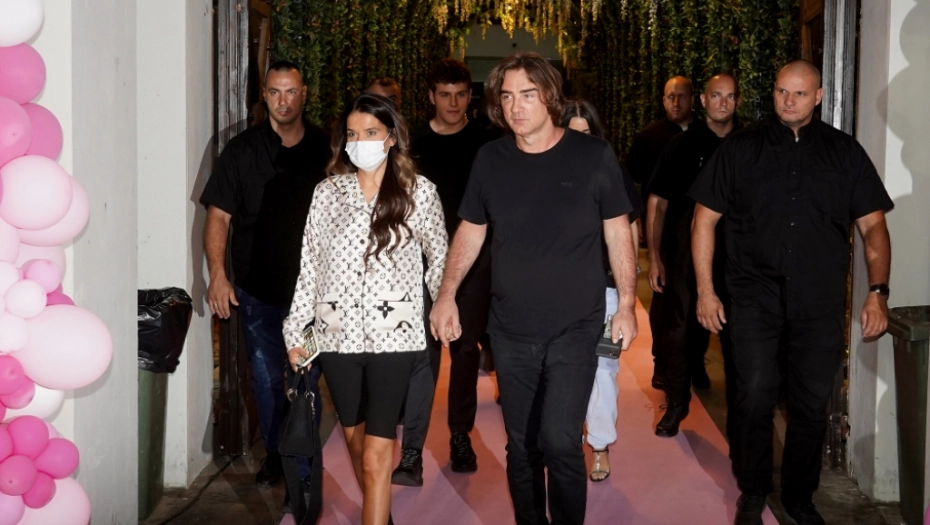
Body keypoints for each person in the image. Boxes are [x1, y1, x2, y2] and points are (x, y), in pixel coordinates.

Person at [430, 52, 639, 525]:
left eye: (527, 95)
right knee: (522, 446)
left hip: (576, 326)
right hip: (510, 329)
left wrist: (626, 304)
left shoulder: (593, 156)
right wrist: (446, 294)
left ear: (550, 97)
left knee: (560, 441)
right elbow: (471, 230)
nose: (515, 106)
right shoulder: (491, 159)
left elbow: (618, 232)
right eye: (507, 97)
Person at [690, 60, 893, 525]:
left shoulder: (844, 152)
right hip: (753, 296)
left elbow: (873, 226)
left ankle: (800, 496)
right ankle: (754, 488)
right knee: (754, 395)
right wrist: (706, 291)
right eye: (782, 91)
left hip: (819, 301)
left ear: (818, 97)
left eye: (800, 94)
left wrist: (877, 291)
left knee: (811, 402)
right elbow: (704, 220)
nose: (788, 101)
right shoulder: (741, 149)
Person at [283, 93, 448, 525]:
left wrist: (442, 306)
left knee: (377, 455)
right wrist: (296, 333)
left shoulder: (419, 193)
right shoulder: (328, 194)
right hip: (336, 334)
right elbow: (310, 266)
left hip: (395, 336)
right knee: (357, 445)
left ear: (391, 137)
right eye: (353, 135)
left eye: (371, 133)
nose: (361, 143)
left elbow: (440, 260)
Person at [200, 60, 330, 488]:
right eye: (275, 92)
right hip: (256, 292)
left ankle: (302, 466)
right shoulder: (241, 151)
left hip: (314, 296)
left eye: (291, 91)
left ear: (304, 94)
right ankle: (276, 454)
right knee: (267, 378)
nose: (283, 101)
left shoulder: (327, 150)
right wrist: (217, 276)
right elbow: (218, 217)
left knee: (305, 377)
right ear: (264, 96)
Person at [391, 58, 494, 486]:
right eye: (445, 95)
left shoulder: (487, 144)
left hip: (473, 264)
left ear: (470, 96)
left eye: (461, 95)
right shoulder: (411, 145)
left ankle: (459, 436)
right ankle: (412, 450)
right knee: (421, 356)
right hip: (417, 266)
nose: (453, 103)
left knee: (466, 351)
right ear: (431, 96)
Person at [647, 73, 741, 438]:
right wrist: (655, 257)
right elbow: (658, 202)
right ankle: (676, 401)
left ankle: (741, 413)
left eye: (729, 96)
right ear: (703, 100)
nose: (722, 103)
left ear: (738, 102)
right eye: (716, 95)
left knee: (738, 333)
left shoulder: (749, 145)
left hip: (737, 256)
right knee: (678, 330)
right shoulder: (681, 145)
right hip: (684, 253)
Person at [560, 99, 644, 482]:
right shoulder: (544, 172)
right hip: (558, 290)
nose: (580, 141)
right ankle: (563, 440)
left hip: (605, 288)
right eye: (572, 133)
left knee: (604, 369)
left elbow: (630, 227)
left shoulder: (612, 169)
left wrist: (629, 294)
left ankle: (599, 445)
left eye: (587, 133)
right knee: (559, 368)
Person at [626, 75, 700, 393]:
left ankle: (694, 363)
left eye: (682, 96)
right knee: (663, 296)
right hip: (665, 230)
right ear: (663, 100)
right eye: (670, 96)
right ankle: (661, 362)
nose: (676, 102)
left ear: (693, 99)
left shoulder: (705, 135)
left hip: (701, 230)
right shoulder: (649, 138)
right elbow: (633, 183)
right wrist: (641, 225)